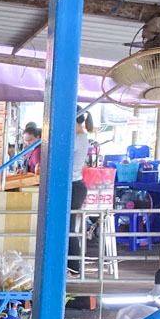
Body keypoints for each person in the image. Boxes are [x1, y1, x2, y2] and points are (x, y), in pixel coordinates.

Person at [69, 111, 92, 274]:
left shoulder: (77, 139)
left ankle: (75, 267)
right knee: (67, 227)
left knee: (67, 228)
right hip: (74, 185)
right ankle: (72, 266)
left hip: (74, 186)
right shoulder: (80, 138)